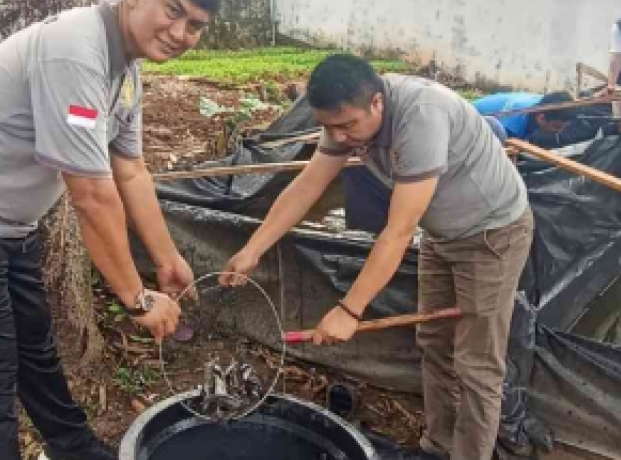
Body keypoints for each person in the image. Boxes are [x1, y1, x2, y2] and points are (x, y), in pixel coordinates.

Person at [0, 0, 220, 459]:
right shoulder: (75, 51)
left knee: (35, 351)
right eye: (174, 10)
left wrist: (166, 260)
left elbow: (131, 172)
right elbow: (91, 195)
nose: (180, 33)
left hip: (6, 223)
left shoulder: (126, 71)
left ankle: (74, 448)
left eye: (195, 26)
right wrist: (136, 298)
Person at [221, 55, 534, 460]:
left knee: (478, 364)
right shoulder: (345, 122)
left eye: (347, 125)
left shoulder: (421, 116)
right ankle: (437, 446)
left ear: (376, 103)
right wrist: (252, 249)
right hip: (442, 233)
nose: (340, 137)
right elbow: (308, 184)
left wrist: (350, 310)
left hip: (493, 236)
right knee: (434, 341)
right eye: (329, 127)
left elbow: (399, 230)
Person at [472, 90, 576, 139]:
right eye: (556, 127)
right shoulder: (514, 124)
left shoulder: (544, 104)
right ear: (541, 118)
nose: (559, 131)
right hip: (472, 118)